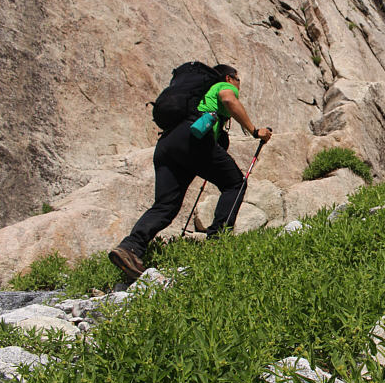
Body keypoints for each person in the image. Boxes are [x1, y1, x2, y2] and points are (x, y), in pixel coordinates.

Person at [109, 64, 272, 279]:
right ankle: (217, 244)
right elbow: (229, 101)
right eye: (238, 79)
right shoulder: (222, 86)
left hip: (168, 144)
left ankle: (130, 248)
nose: (239, 85)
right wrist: (254, 131)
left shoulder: (197, 98)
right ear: (229, 78)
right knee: (235, 183)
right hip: (193, 139)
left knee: (165, 205)